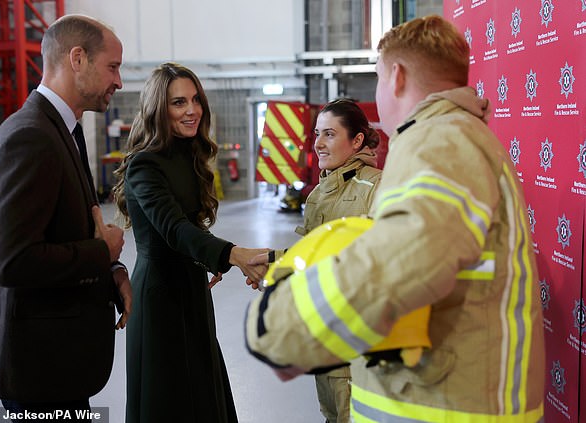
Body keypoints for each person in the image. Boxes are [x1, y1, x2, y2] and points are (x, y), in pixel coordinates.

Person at [245, 15, 545, 422]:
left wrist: (283, 323)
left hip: (445, 406)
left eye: (378, 78)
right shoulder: (453, 136)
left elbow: (407, 255)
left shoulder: (440, 140)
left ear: (397, 77)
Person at [0, 14, 132, 421]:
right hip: (39, 370)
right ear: (77, 58)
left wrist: (111, 269)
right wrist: (102, 252)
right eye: (112, 67)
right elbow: (14, 261)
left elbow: (61, 230)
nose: (119, 81)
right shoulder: (31, 136)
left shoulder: (62, 130)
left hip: (58, 367)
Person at [112, 62, 269, 423]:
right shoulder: (144, 166)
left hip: (191, 291)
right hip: (159, 298)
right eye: (179, 102)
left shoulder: (189, 154)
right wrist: (231, 254)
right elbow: (174, 229)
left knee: (201, 393)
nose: (192, 110)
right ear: (158, 108)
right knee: (168, 401)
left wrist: (211, 258)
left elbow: (190, 228)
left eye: (195, 99)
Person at [255, 98, 382, 423]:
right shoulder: (321, 191)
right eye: (317, 134)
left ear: (356, 141)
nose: (319, 144)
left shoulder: (376, 187)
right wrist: (273, 266)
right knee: (331, 412)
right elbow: (312, 256)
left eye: (330, 134)